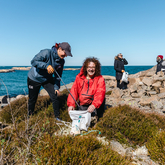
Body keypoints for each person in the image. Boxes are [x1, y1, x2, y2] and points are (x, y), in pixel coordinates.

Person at [27, 42, 73, 120]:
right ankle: (29, 117)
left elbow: (58, 76)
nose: (65, 56)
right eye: (65, 53)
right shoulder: (46, 52)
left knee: (55, 96)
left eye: (66, 55)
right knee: (32, 99)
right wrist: (46, 66)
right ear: (59, 49)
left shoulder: (62, 61)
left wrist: (56, 87)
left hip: (46, 79)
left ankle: (57, 117)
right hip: (34, 78)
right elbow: (33, 61)